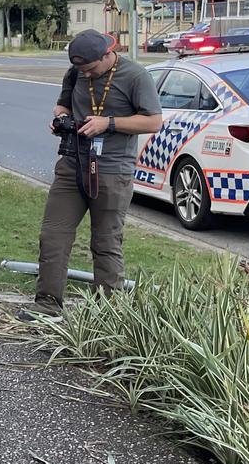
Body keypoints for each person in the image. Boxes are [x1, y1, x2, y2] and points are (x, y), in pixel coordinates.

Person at [19, 29, 162, 320]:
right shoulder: (75, 74)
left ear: (108, 54)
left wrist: (107, 123)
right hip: (72, 164)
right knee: (53, 234)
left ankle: (107, 312)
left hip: (111, 169)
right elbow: (63, 104)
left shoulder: (135, 76)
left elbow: (153, 121)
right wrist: (60, 118)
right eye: (80, 69)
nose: (85, 74)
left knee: (106, 241)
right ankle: (47, 304)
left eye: (90, 68)